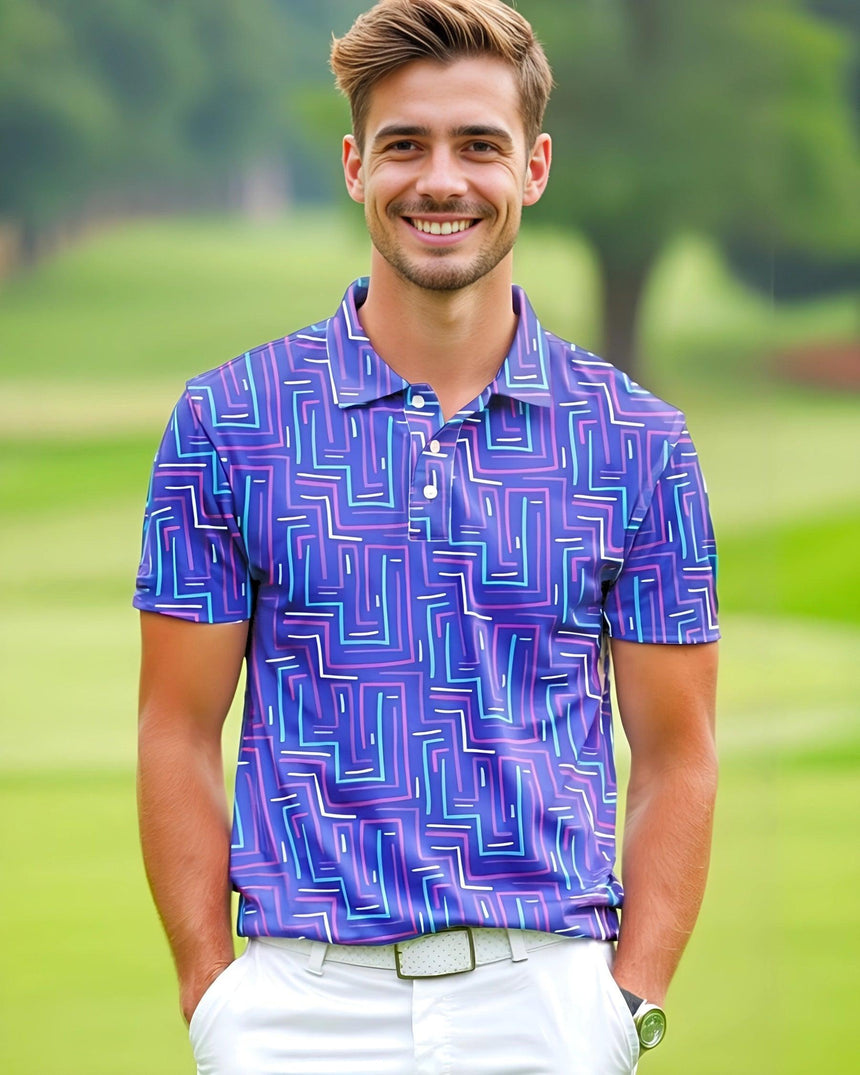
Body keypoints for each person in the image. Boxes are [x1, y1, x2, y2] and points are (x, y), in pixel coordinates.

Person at [134, 2, 720, 1072]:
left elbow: (678, 754)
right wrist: (212, 993)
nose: (440, 180)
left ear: (533, 167)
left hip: (544, 1005)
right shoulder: (230, 421)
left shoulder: (637, 440)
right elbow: (175, 727)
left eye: (478, 145)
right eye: (404, 144)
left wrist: (627, 1003)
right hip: (295, 1007)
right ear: (355, 165)